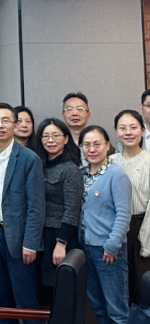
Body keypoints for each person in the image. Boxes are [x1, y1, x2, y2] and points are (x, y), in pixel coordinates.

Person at [0, 103, 44, 324]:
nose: (0, 125)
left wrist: (31, 243)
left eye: (6, 120)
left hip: (19, 238)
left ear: (15, 125)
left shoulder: (28, 159)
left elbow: (36, 206)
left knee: (25, 299)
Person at [79, 126, 130, 324]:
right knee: (98, 306)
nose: (92, 149)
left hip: (108, 250)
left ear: (107, 145)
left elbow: (123, 213)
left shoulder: (116, 174)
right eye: (86, 145)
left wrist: (112, 245)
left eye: (97, 144)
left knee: (116, 310)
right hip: (87, 247)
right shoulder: (82, 174)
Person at [33, 118, 82, 302]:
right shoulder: (38, 166)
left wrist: (61, 243)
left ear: (66, 139)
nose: (50, 140)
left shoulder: (70, 169)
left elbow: (72, 210)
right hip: (40, 235)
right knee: (41, 293)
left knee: (58, 292)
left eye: (55, 135)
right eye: (45, 136)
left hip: (59, 237)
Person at [110, 110, 150, 304]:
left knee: (141, 287)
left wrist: (146, 240)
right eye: (122, 128)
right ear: (116, 132)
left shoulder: (148, 161)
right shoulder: (110, 162)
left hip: (141, 227)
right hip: (115, 229)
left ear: (142, 131)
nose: (128, 132)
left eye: (133, 127)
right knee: (119, 288)